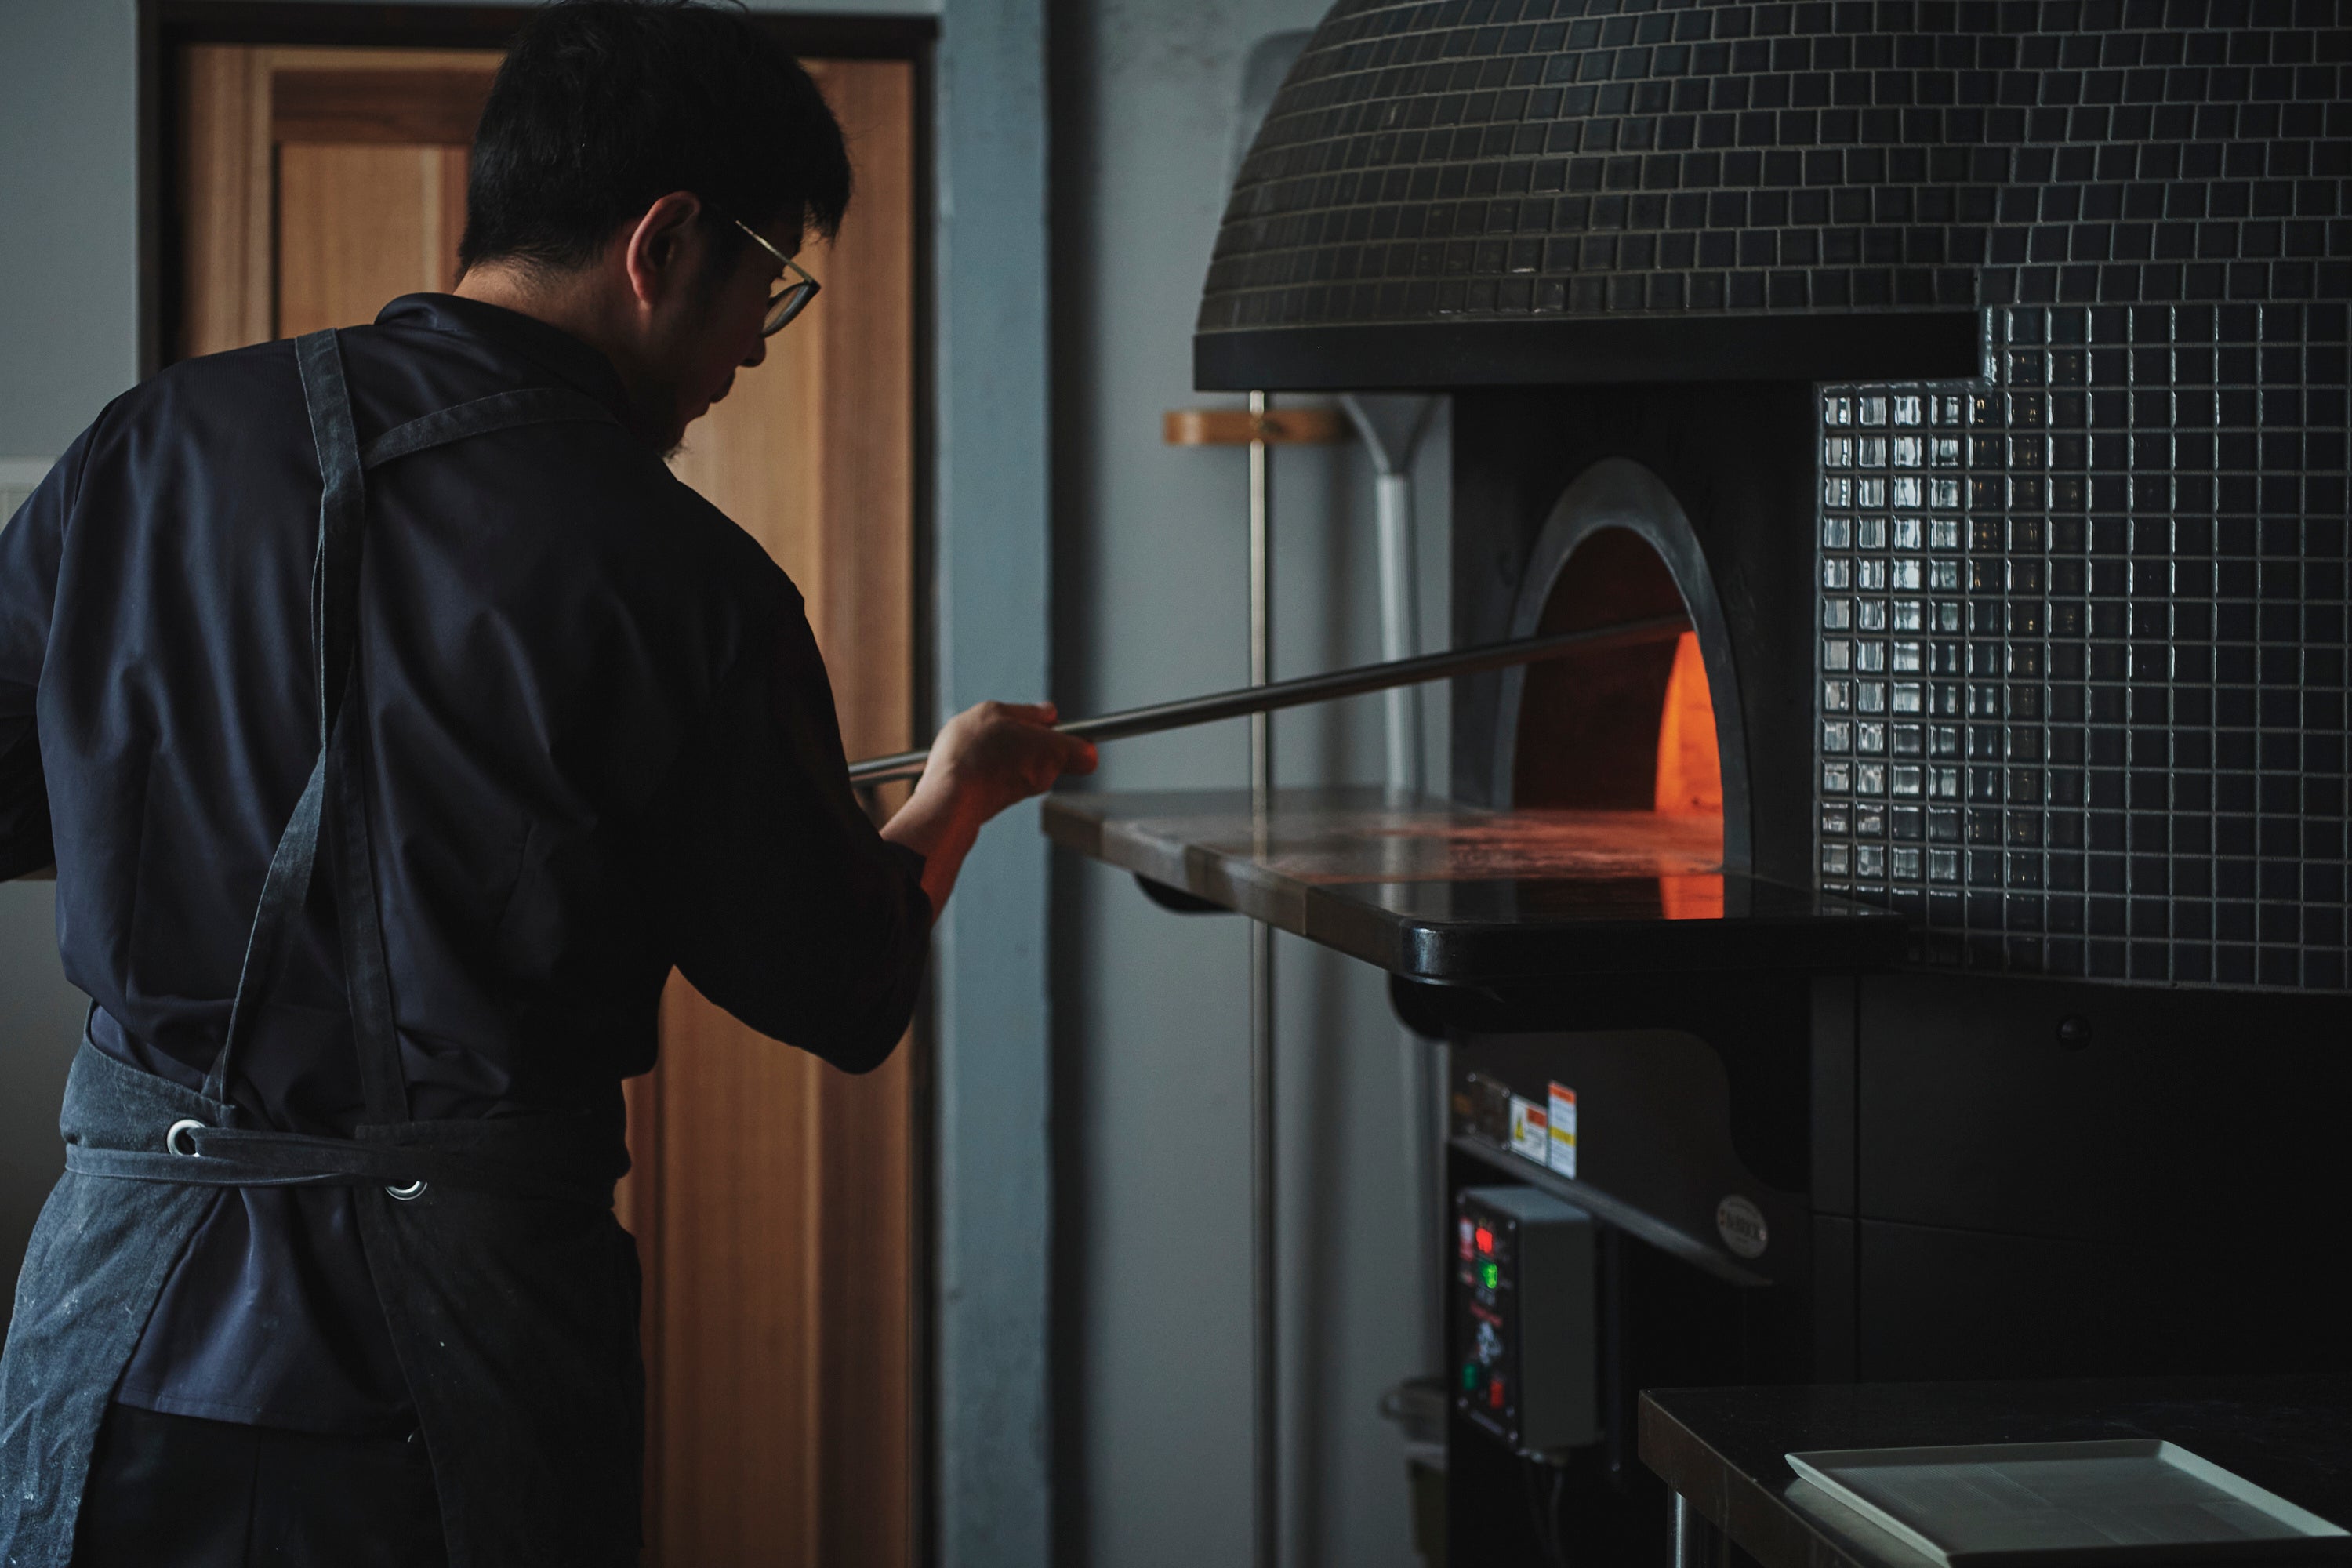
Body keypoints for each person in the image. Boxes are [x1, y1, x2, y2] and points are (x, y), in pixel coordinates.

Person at [0, 3, 1093, 1563]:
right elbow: (842, 984)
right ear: (664, 243)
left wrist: (184, 793)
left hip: (126, 1334)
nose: (747, 355)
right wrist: (962, 790)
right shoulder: (683, 577)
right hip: (455, 1370)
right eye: (763, 289)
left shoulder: (154, 443)